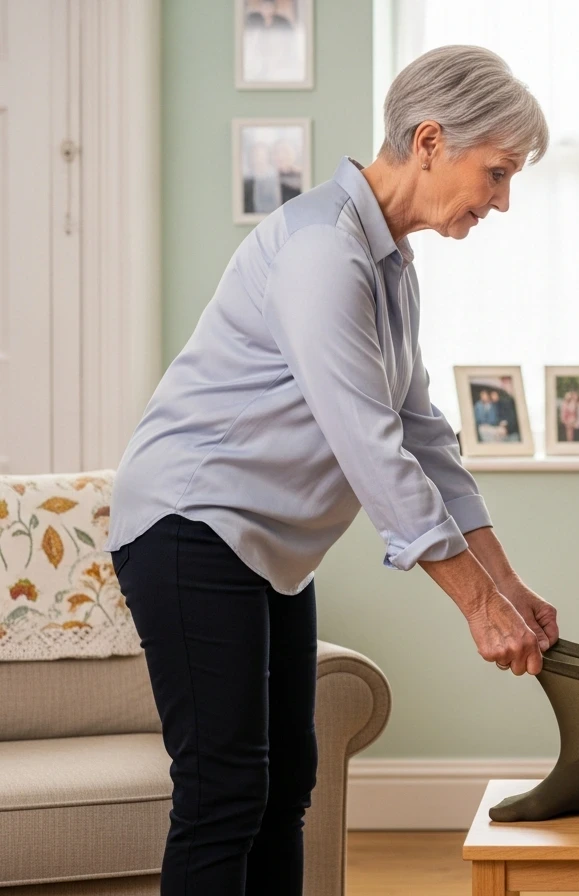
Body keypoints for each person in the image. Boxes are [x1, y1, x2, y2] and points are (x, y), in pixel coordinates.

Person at [105, 46, 555, 895]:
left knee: (284, 789)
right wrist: (475, 608)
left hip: (266, 548)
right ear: (429, 140)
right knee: (224, 790)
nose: (501, 200)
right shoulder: (323, 251)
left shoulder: (389, 264)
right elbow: (370, 447)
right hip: (192, 524)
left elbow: (423, 436)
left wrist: (508, 584)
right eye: (496, 173)